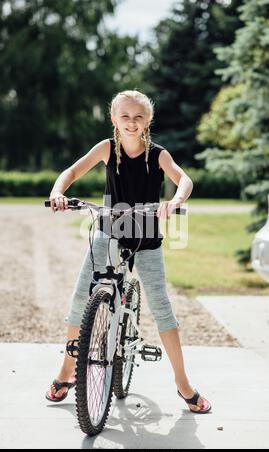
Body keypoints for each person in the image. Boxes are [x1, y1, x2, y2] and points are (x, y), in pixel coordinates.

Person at [45, 90, 211, 413]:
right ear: (114, 120)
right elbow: (72, 172)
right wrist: (58, 191)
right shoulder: (107, 149)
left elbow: (184, 179)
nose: (131, 123)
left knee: (162, 308)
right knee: (82, 298)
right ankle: (67, 372)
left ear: (147, 121)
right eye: (125, 116)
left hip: (146, 238)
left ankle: (183, 384)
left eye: (138, 117)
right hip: (108, 232)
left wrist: (176, 200)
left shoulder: (158, 155)